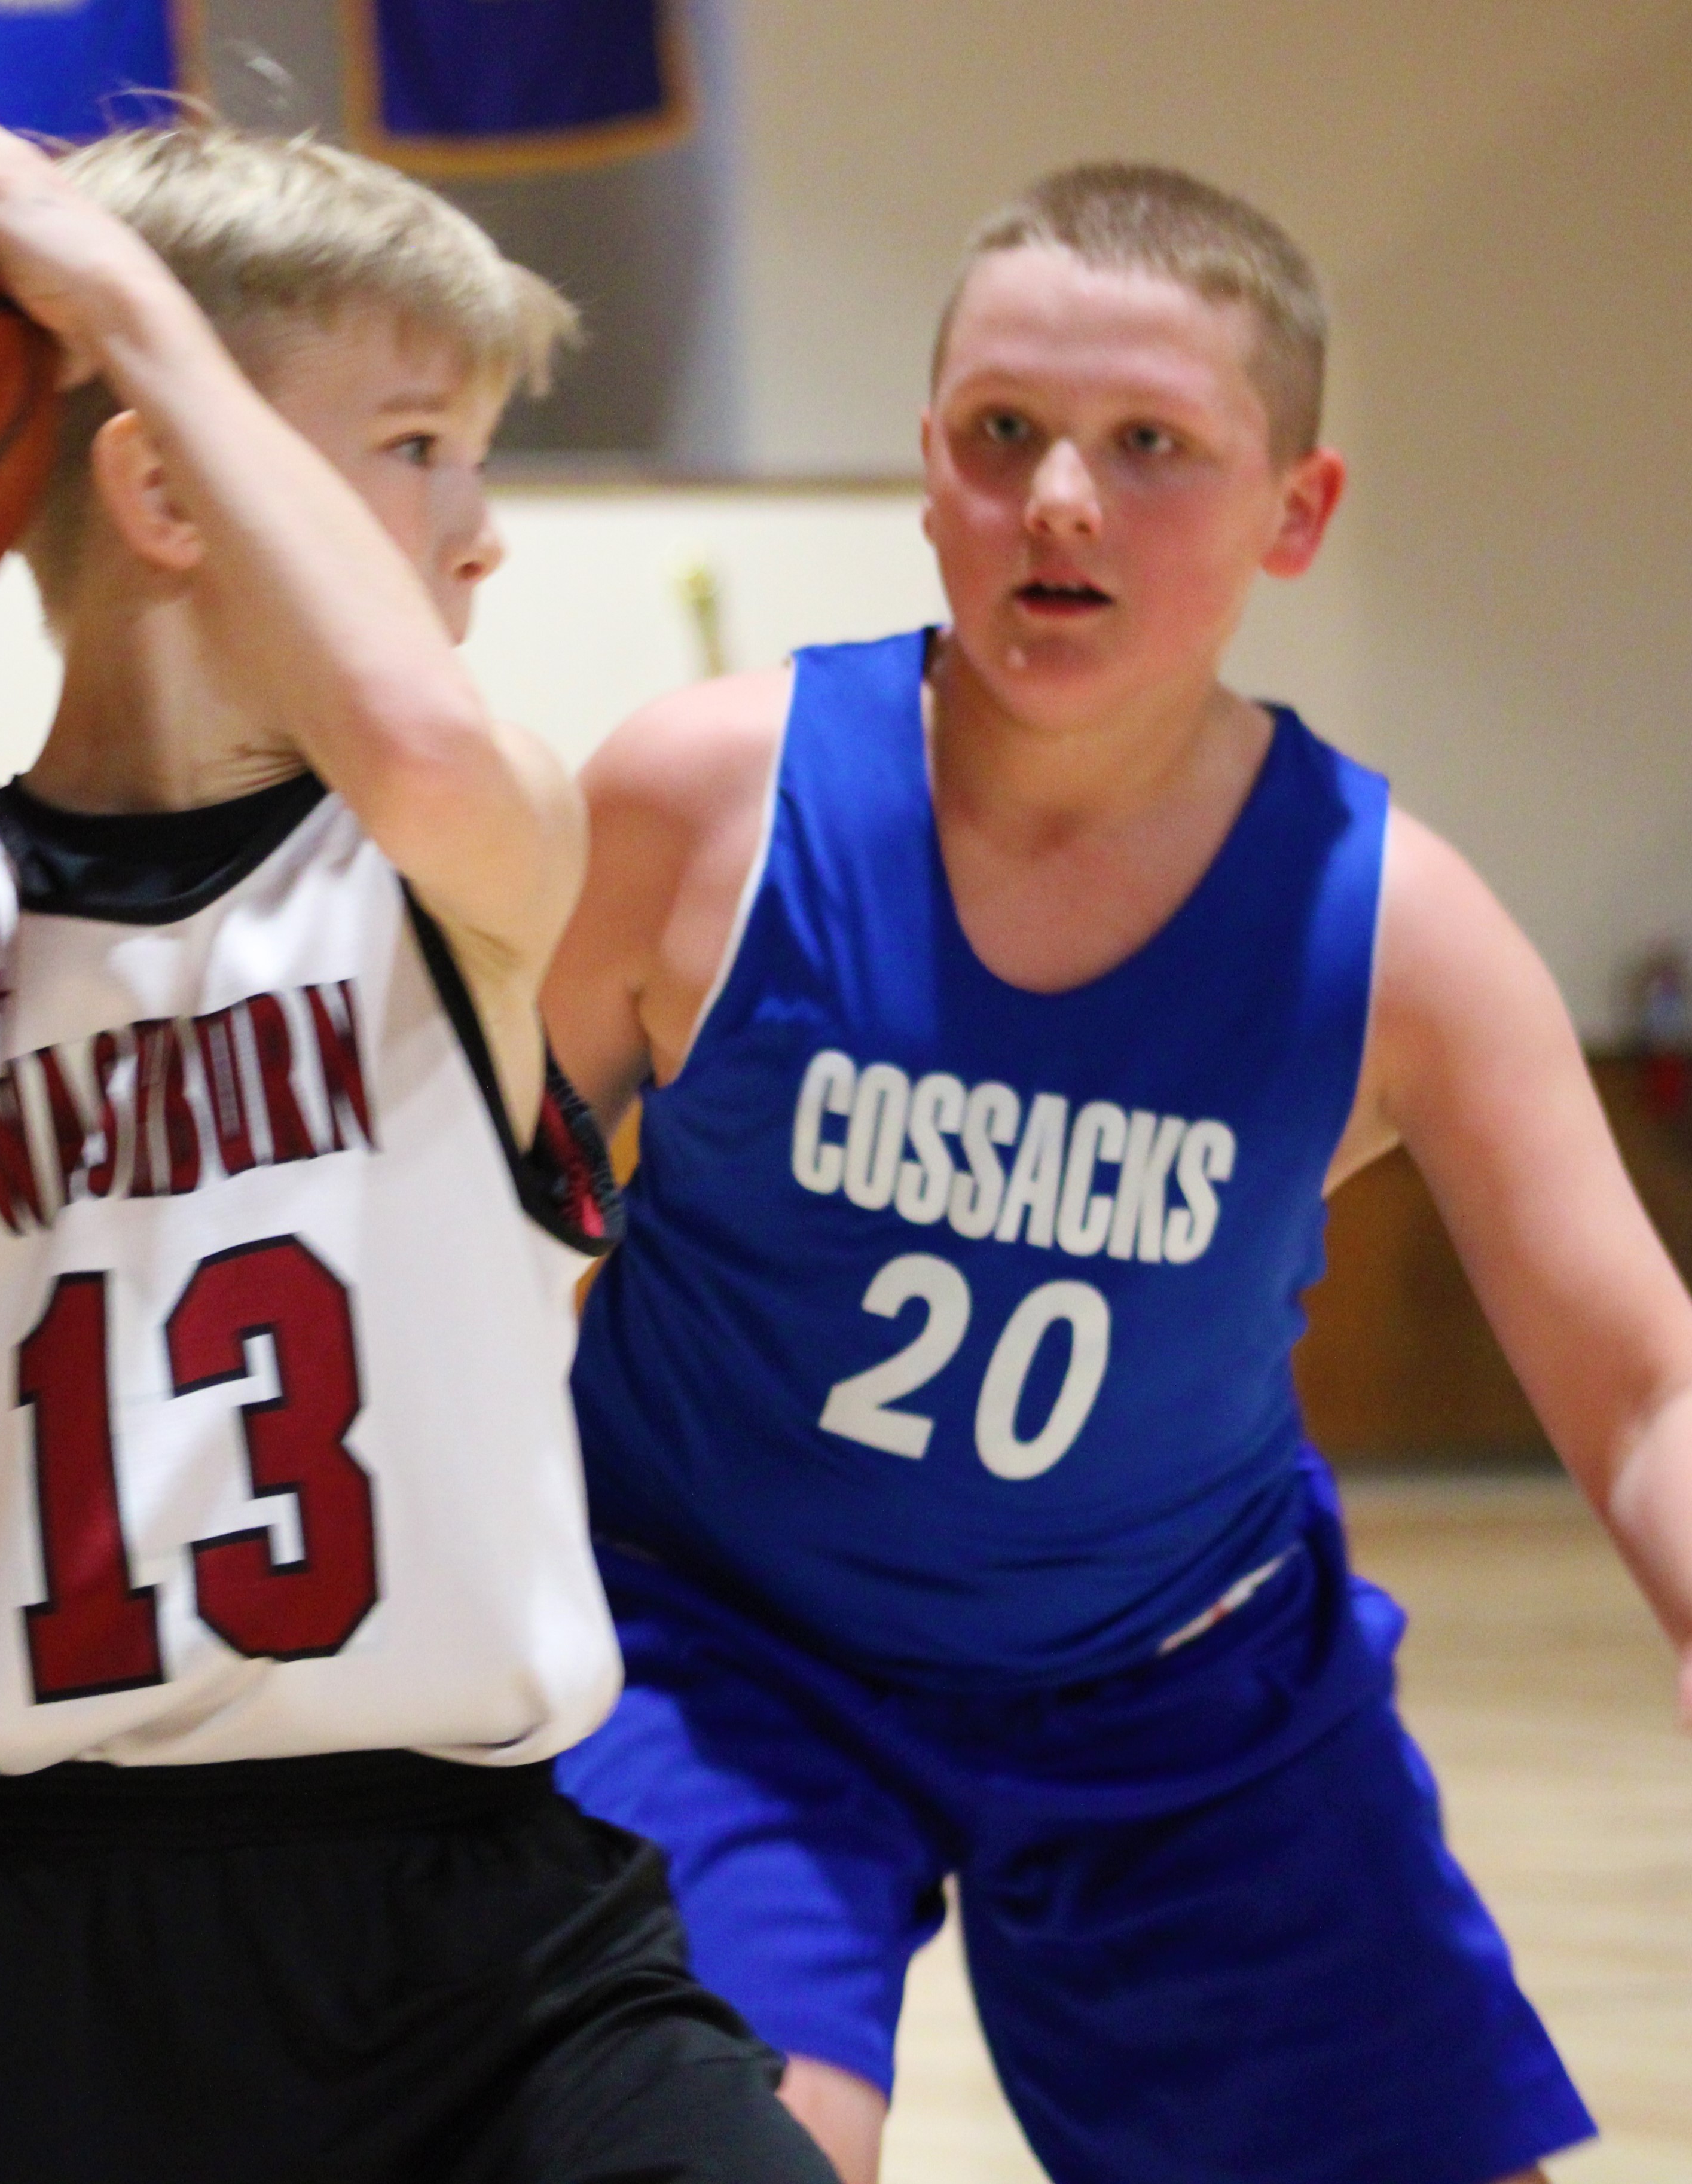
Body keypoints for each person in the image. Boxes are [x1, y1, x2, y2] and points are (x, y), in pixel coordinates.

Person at [0, 57, 837, 2184]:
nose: (478, 528)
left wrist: (121, 298)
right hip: (42, 1956)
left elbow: (402, 722)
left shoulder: (455, 868)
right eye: (416, 450)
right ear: (168, 488)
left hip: (486, 1910)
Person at [542, 160, 1692, 2184]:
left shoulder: (1392, 925)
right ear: (927, 470)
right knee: (727, 2157)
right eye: (1006, 436)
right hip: (713, 1642)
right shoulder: (700, 802)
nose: (1060, 497)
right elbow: (454, 1222)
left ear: (1296, 511)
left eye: (1149, 445)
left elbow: (1649, 1385)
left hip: (1183, 1687)